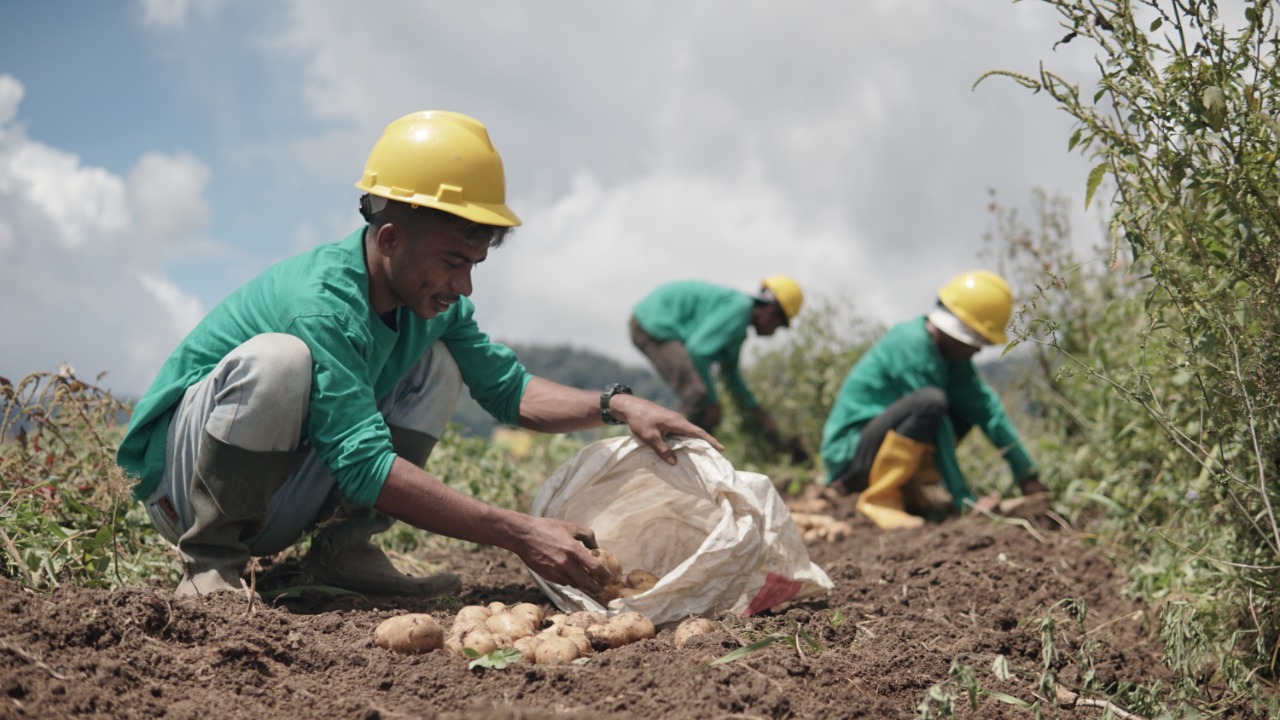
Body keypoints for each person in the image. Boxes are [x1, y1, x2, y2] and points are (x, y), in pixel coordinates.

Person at [115, 110, 720, 599]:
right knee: (280, 362)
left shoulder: (434, 307)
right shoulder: (322, 305)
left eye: (474, 265)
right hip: (188, 489)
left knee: (443, 362)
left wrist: (619, 405)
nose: (464, 285)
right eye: (454, 262)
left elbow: (509, 391)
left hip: (276, 496)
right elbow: (366, 466)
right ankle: (210, 563)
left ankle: (342, 552)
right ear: (390, 239)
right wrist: (520, 533)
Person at [819, 270, 1047, 530]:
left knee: (964, 410)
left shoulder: (951, 358)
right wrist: (964, 498)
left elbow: (987, 410)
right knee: (931, 403)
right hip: (850, 456)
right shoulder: (910, 345)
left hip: (878, 446)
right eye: (976, 341)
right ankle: (880, 498)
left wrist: (1027, 475)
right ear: (958, 332)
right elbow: (937, 426)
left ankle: (907, 490)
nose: (977, 350)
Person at [629, 277, 806, 460]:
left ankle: (691, 461)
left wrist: (756, 409)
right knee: (697, 395)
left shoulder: (737, 324)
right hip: (652, 323)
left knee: (702, 402)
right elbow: (698, 350)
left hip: (653, 319)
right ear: (771, 312)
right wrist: (713, 402)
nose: (774, 331)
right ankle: (669, 460)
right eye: (779, 325)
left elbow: (731, 375)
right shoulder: (739, 309)